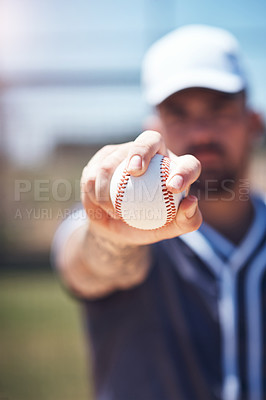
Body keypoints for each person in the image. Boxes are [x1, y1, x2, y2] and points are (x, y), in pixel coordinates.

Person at [52, 25, 266, 400]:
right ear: (153, 131)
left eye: (219, 109)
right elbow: (85, 264)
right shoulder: (122, 225)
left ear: (253, 123)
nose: (201, 133)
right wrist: (109, 238)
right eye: (178, 114)